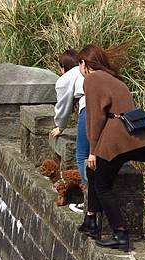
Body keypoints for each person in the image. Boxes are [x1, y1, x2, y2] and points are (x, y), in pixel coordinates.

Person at [77, 44, 145, 251]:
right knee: (93, 171)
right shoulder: (115, 79)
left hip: (115, 139)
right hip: (132, 138)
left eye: (80, 64)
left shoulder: (92, 79)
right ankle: (91, 221)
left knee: (102, 186)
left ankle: (120, 233)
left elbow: (95, 118)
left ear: (84, 63)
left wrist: (93, 150)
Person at [49, 49, 88, 214]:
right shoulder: (88, 70)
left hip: (89, 109)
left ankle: (88, 201)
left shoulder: (66, 78)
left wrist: (60, 126)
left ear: (63, 67)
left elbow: (63, 107)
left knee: (82, 156)